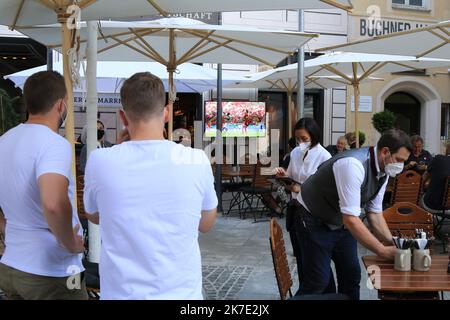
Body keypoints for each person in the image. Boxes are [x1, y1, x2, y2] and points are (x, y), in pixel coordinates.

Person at [83, 72, 218, 300]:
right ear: (166, 113)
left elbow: (94, 215)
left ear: (123, 117)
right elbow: (205, 224)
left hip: (120, 294)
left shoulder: (100, 160)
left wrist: (117, 150)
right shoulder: (196, 159)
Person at [295, 129, 411, 300]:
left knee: (351, 274)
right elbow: (351, 220)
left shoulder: (384, 169)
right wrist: (382, 251)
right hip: (313, 218)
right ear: (385, 151)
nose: (400, 166)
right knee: (319, 281)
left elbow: (375, 213)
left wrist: (393, 244)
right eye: (400, 160)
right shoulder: (352, 164)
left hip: (340, 221)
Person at [0, 71, 86, 300]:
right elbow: (54, 203)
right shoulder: (54, 144)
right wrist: (71, 244)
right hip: (52, 271)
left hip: (11, 265)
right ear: (61, 105)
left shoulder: (5, 140)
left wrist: (6, 230)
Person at [275, 118, 332, 291]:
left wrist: (298, 187)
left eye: (304, 139)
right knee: (300, 256)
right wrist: (282, 174)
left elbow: (322, 189)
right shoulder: (295, 153)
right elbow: (290, 174)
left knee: (315, 260)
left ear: (314, 136)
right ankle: (307, 290)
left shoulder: (325, 156)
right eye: (298, 138)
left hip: (314, 214)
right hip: (295, 211)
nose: (300, 142)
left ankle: (320, 293)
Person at [421, 142, 450, 213]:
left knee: (419, 197)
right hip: (448, 207)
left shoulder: (438, 158)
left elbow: (423, 179)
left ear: (447, 149)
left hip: (433, 205)